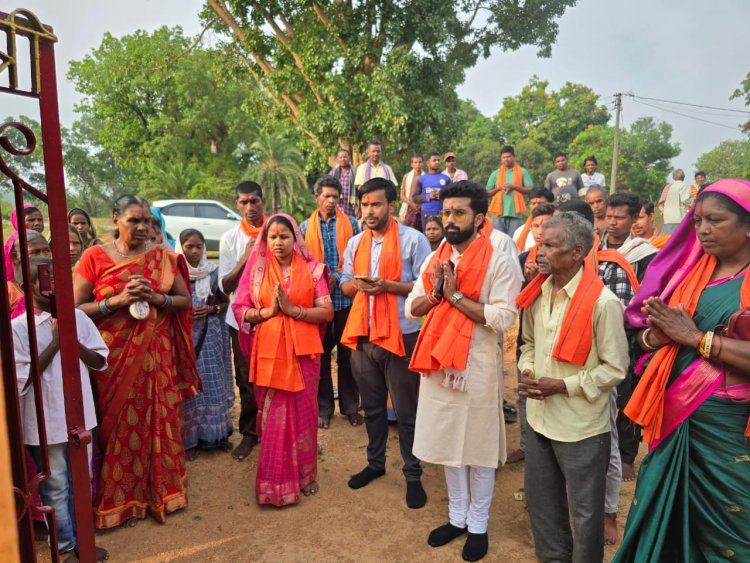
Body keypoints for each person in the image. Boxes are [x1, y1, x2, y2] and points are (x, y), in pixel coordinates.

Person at [614, 179, 750, 562]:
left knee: (735, 533)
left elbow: (689, 337)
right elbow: (642, 342)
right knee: (664, 519)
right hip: (674, 420)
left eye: (716, 221)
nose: (703, 229)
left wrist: (696, 339)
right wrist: (655, 339)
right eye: (699, 221)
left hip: (730, 429)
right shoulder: (685, 273)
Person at [407, 181, 521, 561]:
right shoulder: (436, 259)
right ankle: (457, 517)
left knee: (477, 449)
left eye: (459, 213)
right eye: (446, 213)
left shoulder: (499, 260)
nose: (450, 221)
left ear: (480, 218)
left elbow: (504, 316)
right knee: (447, 445)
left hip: (477, 366)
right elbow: (413, 307)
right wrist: (437, 294)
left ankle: (478, 525)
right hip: (439, 362)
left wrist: (456, 297)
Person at [73, 194, 201, 528]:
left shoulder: (164, 257)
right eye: (135, 220)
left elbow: (184, 301)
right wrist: (116, 301)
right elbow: (73, 309)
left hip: (155, 355)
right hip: (112, 358)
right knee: (117, 426)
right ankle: (121, 500)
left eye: (148, 221)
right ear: (115, 219)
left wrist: (156, 297)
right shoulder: (94, 257)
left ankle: (162, 492)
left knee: (159, 420)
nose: (143, 227)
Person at [517, 212, 629, 563]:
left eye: (550, 246)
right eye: (540, 243)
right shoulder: (537, 293)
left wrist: (562, 386)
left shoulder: (603, 303)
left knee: (585, 515)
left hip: (580, 427)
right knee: (543, 505)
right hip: (539, 417)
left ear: (577, 252)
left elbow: (615, 369)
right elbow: (528, 344)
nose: (540, 252)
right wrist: (529, 369)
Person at [340, 177, 431, 508]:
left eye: (376, 204)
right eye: (364, 205)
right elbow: (345, 284)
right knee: (374, 406)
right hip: (363, 333)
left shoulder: (413, 240)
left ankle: (412, 473)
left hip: (402, 334)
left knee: (406, 410)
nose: (369, 210)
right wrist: (359, 286)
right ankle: (376, 464)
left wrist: (389, 286)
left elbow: (425, 287)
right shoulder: (355, 243)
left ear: (392, 206)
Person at [13, 256, 110, 562]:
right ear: (24, 286)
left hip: (81, 417)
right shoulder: (19, 328)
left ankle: (84, 543)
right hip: (44, 422)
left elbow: (100, 361)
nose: (54, 284)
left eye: (58, 277)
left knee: (83, 481)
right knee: (55, 488)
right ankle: (65, 549)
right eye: (45, 278)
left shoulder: (78, 318)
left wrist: (71, 337)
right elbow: (22, 381)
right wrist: (55, 342)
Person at [232, 214, 333, 506]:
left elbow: (326, 312)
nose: (278, 242)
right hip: (269, 353)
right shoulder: (257, 272)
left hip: (303, 355)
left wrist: (293, 311)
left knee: (303, 415)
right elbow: (240, 309)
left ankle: (305, 474)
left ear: (296, 239)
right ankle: (274, 480)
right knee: (274, 416)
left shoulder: (313, 271)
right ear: (265, 240)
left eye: (284, 236)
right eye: (272, 236)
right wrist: (266, 313)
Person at [300, 175, 362, 429]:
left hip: (347, 300)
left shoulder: (353, 224)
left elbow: (359, 256)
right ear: (317, 198)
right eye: (326, 196)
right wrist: (321, 279)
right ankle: (324, 408)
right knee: (321, 357)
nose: (331, 201)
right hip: (318, 304)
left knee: (349, 357)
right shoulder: (304, 228)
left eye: (335, 197)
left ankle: (350, 407)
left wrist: (336, 276)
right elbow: (302, 263)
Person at [218, 181, 267, 461]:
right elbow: (224, 287)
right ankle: (250, 433)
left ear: (263, 202)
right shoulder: (230, 238)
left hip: (274, 318)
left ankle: (274, 429)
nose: (249, 208)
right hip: (241, 320)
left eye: (254, 201)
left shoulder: (278, 230)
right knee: (246, 377)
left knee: (274, 376)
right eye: (243, 202)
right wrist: (245, 259)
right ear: (237, 204)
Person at [176, 229, 233, 460]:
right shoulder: (175, 273)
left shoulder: (213, 273)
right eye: (189, 246)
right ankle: (190, 441)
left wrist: (210, 309)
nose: (194, 251)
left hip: (211, 337)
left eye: (199, 246)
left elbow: (226, 304)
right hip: (186, 338)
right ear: (181, 248)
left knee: (212, 382)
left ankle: (216, 436)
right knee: (189, 384)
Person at [603, 192, 658, 282]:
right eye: (609, 217)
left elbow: (644, 289)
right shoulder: (593, 247)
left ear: (634, 218)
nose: (612, 222)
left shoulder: (645, 253)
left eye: (619, 218)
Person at [486, 145, 534, 234]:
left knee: (514, 242)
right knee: (499, 243)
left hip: (515, 214)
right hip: (498, 215)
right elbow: (487, 193)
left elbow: (530, 189)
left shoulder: (523, 171)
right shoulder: (495, 173)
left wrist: (514, 187)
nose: (506, 159)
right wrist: (499, 188)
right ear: (501, 159)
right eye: (503, 157)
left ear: (514, 157)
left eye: (508, 157)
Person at [6, 230, 52, 319]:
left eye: (46, 250)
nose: (43, 257)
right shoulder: (8, 290)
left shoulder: (54, 281)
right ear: (15, 257)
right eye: (35, 252)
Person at [412, 152, 451, 229]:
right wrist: (428, 196)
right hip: (426, 213)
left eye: (438, 160)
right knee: (428, 236)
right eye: (434, 160)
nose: (437, 162)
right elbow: (414, 198)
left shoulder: (446, 178)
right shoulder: (422, 179)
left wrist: (442, 195)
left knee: (443, 237)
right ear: (428, 163)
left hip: (442, 212)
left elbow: (453, 196)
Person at [513, 187, 554, 253]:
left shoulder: (558, 230)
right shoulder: (519, 231)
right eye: (533, 203)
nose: (536, 206)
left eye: (540, 203)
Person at [658, 169, 692, 233]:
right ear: (683, 177)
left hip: (667, 218)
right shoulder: (684, 185)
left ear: (673, 177)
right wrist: (695, 202)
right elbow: (685, 200)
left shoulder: (669, 186)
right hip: (678, 218)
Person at [329, 148, 358, 217]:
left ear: (349, 158)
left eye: (345, 157)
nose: (343, 159)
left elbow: (359, 190)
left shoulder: (355, 172)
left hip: (351, 207)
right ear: (338, 159)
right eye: (340, 157)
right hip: (337, 206)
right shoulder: (333, 173)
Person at [399, 154, 424, 229]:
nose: (418, 164)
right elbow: (402, 195)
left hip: (421, 208)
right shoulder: (407, 176)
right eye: (415, 162)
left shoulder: (426, 177)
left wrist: (420, 206)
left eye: (420, 162)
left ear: (423, 163)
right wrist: (412, 204)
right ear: (412, 164)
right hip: (408, 208)